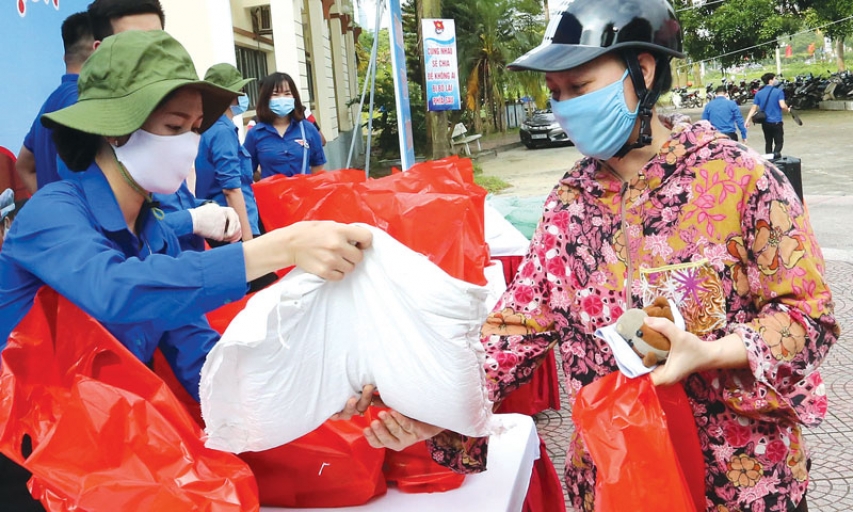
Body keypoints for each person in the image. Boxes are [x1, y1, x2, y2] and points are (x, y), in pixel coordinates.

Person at [358, 1, 839, 511]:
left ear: (643, 71)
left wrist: (713, 352)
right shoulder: (568, 203)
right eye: (556, 94)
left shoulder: (741, 181)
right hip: (620, 478)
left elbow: (808, 316)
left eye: (579, 88)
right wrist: (432, 401)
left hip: (741, 481)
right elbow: (516, 329)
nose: (565, 107)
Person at [0, 30, 372, 510]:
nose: (189, 144)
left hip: (99, 439)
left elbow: (200, 359)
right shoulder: (53, 212)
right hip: (24, 450)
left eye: (197, 128)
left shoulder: (156, 232)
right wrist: (276, 249)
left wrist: (308, 392)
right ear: (116, 129)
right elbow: (116, 290)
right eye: (175, 128)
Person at [87, 0, 241, 252]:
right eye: (174, 127)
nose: (154, 57)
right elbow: (120, 233)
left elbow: (172, 201)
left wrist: (202, 209)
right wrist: (192, 221)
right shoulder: (84, 132)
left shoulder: (160, 122)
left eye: (159, 42)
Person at [15, 11, 94, 193]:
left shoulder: (52, 102)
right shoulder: (83, 105)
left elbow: (23, 166)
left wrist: (50, 204)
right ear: (98, 49)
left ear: (65, 57)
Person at [194, 63, 260, 242]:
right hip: (234, 227)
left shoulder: (207, 127)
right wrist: (248, 242)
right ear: (231, 96)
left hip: (220, 224)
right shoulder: (223, 131)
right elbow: (231, 189)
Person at [244, 72, 326, 178]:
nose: (282, 98)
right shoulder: (254, 133)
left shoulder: (308, 129)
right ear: (266, 99)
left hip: (302, 193)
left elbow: (318, 166)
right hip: (271, 194)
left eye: (287, 94)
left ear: (294, 97)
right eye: (275, 94)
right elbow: (247, 169)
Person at [746, 72, 791, 158]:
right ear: (770, 80)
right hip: (776, 121)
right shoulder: (778, 92)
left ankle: (769, 159)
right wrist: (787, 109)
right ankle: (775, 155)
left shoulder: (759, 93)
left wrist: (747, 120)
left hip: (765, 122)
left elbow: (753, 108)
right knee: (779, 142)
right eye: (774, 79)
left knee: (768, 142)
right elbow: (782, 105)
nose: (775, 80)